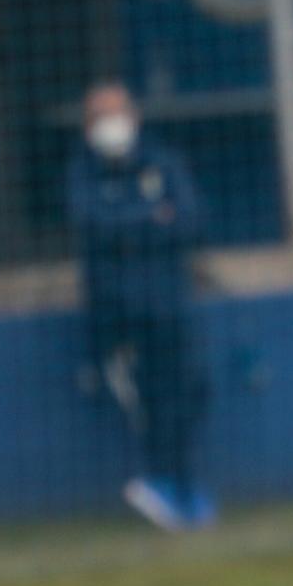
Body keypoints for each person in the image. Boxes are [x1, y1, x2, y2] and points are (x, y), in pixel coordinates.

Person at [66, 82, 211, 530]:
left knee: (191, 391)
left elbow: (189, 219)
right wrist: (150, 219)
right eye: (100, 115)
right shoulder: (82, 173)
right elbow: (93, 226)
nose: (111, 124)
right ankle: (162, 482)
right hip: (118, 313)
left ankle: (181, 487)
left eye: (118, 112)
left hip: (170, 303)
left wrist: (131, 229)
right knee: (149, 400)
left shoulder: (162, 162)